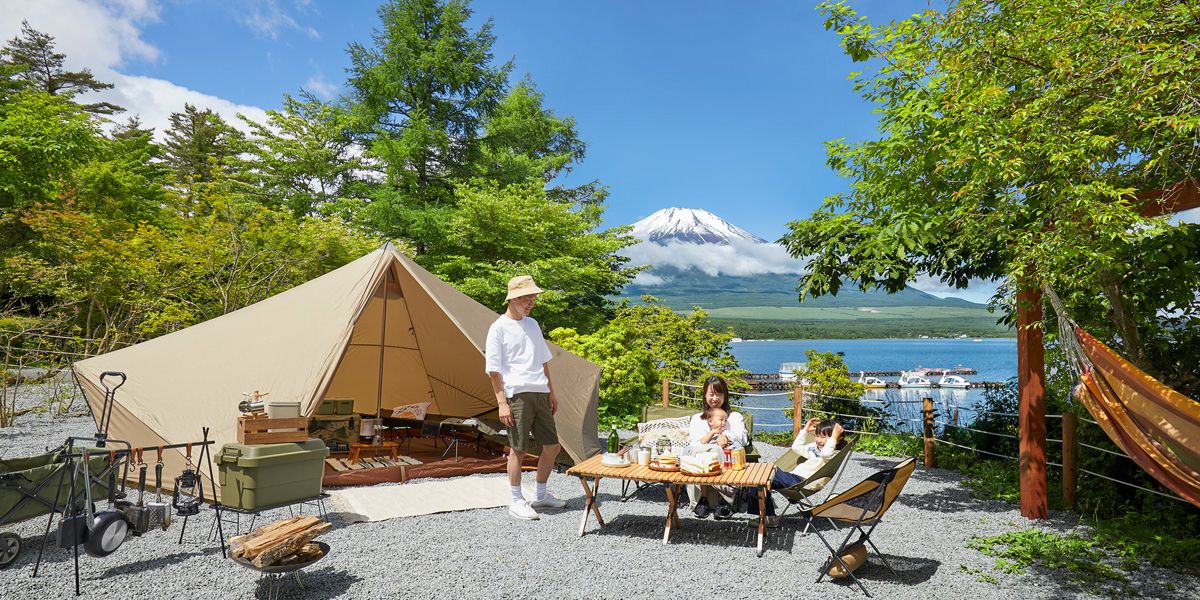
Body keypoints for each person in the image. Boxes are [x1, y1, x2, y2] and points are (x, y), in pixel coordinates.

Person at [485, 275, 566, 520]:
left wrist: (551, 392)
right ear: (513, 299)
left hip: (540, 392)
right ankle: (516, 500)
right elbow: (494, 370)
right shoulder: (498, 328)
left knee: (552, 446)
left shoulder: (532, 324)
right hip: (516, 395)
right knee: (518, 450)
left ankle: (540, 495)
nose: (531, 302)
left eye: (533, 298)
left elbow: (543, 361)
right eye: (526, 298)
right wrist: (502, 403)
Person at [749, 418, 846, 528]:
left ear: (836, 439)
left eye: (823, 437)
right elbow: (796, 448)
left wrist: (834, 437)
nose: (819, 440)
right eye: (817, 436)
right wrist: (805, 431)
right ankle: (769, 517)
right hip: (792, 478)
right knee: (758, 477)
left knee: (764, 472)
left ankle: (768, 518)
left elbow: (826, 454)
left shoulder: (831, 454)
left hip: (801, 483)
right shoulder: (814, 448)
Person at [686, 375, 747, 519]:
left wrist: (726, 437)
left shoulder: (734, 417)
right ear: (705, 395)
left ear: (725, 395)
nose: (715, 398)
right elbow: (694, 442)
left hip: (726, 459)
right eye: (711, 394)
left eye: (719, 394)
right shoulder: (697, 419)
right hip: (703, 461)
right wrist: (712, 439)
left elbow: (742, 438)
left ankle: (726, 501)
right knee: (696, 453)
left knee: (733, 450)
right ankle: (702, 500)